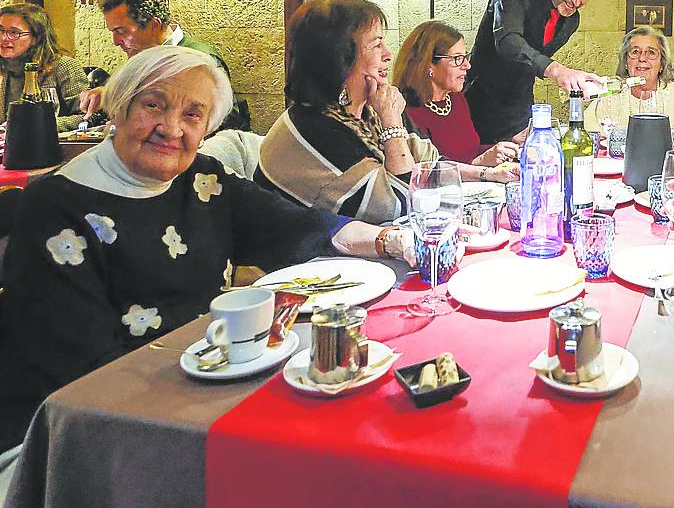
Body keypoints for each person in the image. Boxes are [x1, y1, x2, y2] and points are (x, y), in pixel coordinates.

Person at [0, 45, 403, 456]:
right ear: (118, 109)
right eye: (153, 105)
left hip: (206, 378)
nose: (171, 128)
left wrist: (387, 240)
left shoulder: (201, 179)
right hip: (95, 425)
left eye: (192, 115)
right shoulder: (56, 206)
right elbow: (80, 372)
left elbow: (293, 224)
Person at [255, 0, 499, 225]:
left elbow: (432, 166)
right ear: (341, 59)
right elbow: (401, 205)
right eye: (376, 45)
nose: (388, 55)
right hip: (296, 265)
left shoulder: (368, 110)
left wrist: (489, 175)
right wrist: (392, 124)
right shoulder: (314, 127)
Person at [464, 0, 601, 144]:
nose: (577, 2)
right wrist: (557, 70)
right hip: (481, 103)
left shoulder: (572, 20)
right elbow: (508, 42)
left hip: (521, 106)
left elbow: (531, 61)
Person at [77, 0, 251, 131]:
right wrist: (110, 94)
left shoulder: (200, 59)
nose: (115, 42)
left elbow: (225, 122)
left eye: (121, 31)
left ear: (154, 25)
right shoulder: (142, 59)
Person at [394, 20, 519, 176]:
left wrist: (512, 144)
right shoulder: (408, 113)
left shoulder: (456, 99)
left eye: (465, 57)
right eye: (457, 58)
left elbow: (471, 151)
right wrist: (480, 164)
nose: (467, 65)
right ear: (429, 65)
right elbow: (433, 171)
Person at [583, 26, 674, 132]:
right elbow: (585, 131)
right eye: (635, 52)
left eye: (651, 52)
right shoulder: (611, 91)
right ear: (626, 61)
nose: (642, 58)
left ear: (662, 63)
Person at [0, 3, 87, 131]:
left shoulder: (63, 66)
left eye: (14, 32)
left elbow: (88, 116)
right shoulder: (6, 69)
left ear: (36, 37)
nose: (3, 38)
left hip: (54, 146)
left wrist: (41, 125)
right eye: (0, 30)